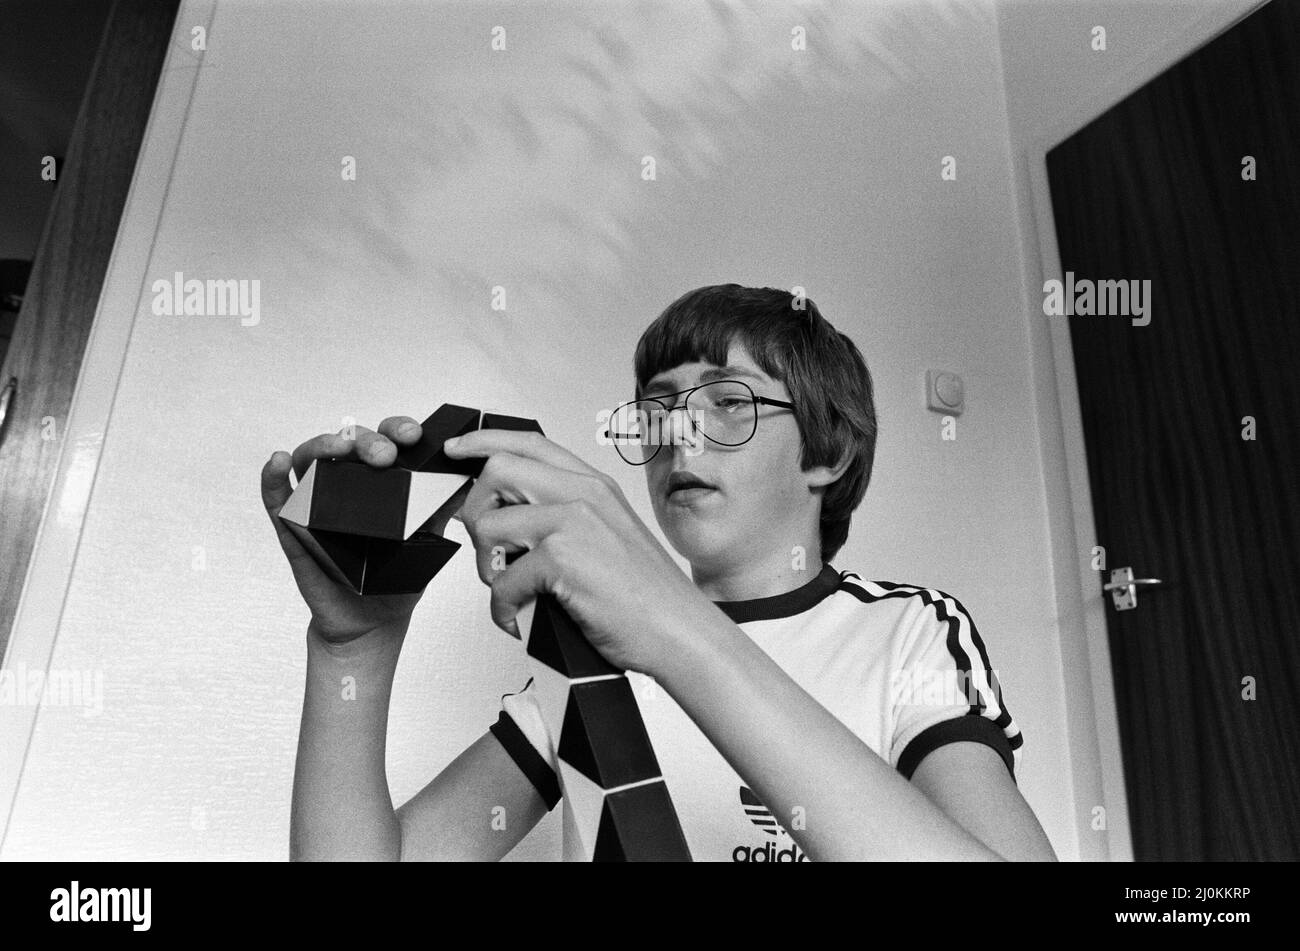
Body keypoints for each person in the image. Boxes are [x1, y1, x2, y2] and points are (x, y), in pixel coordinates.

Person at [261, 283, 1057, 861]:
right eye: (657, 411)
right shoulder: (584, 664)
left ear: (828, 451)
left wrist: (674, 624)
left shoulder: (907, 631)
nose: (681, 435)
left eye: (728, 403)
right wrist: (351, 649)